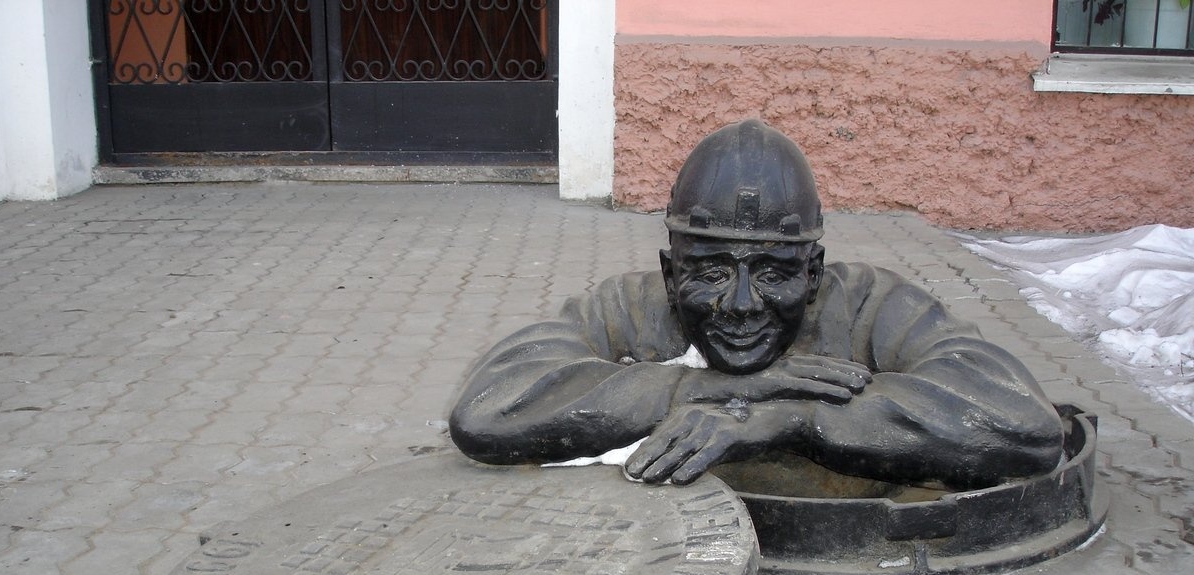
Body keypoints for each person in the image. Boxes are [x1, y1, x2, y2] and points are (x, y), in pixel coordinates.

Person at [449, 119, 1063, 490]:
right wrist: (689, 388)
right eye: (712, 271)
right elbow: (488, 412)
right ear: (670, 272)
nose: (741, 305)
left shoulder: (873, 302)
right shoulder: (631, 306)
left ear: (814, 271)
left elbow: (1025, 426)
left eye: (771, 273)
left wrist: (787, 420)